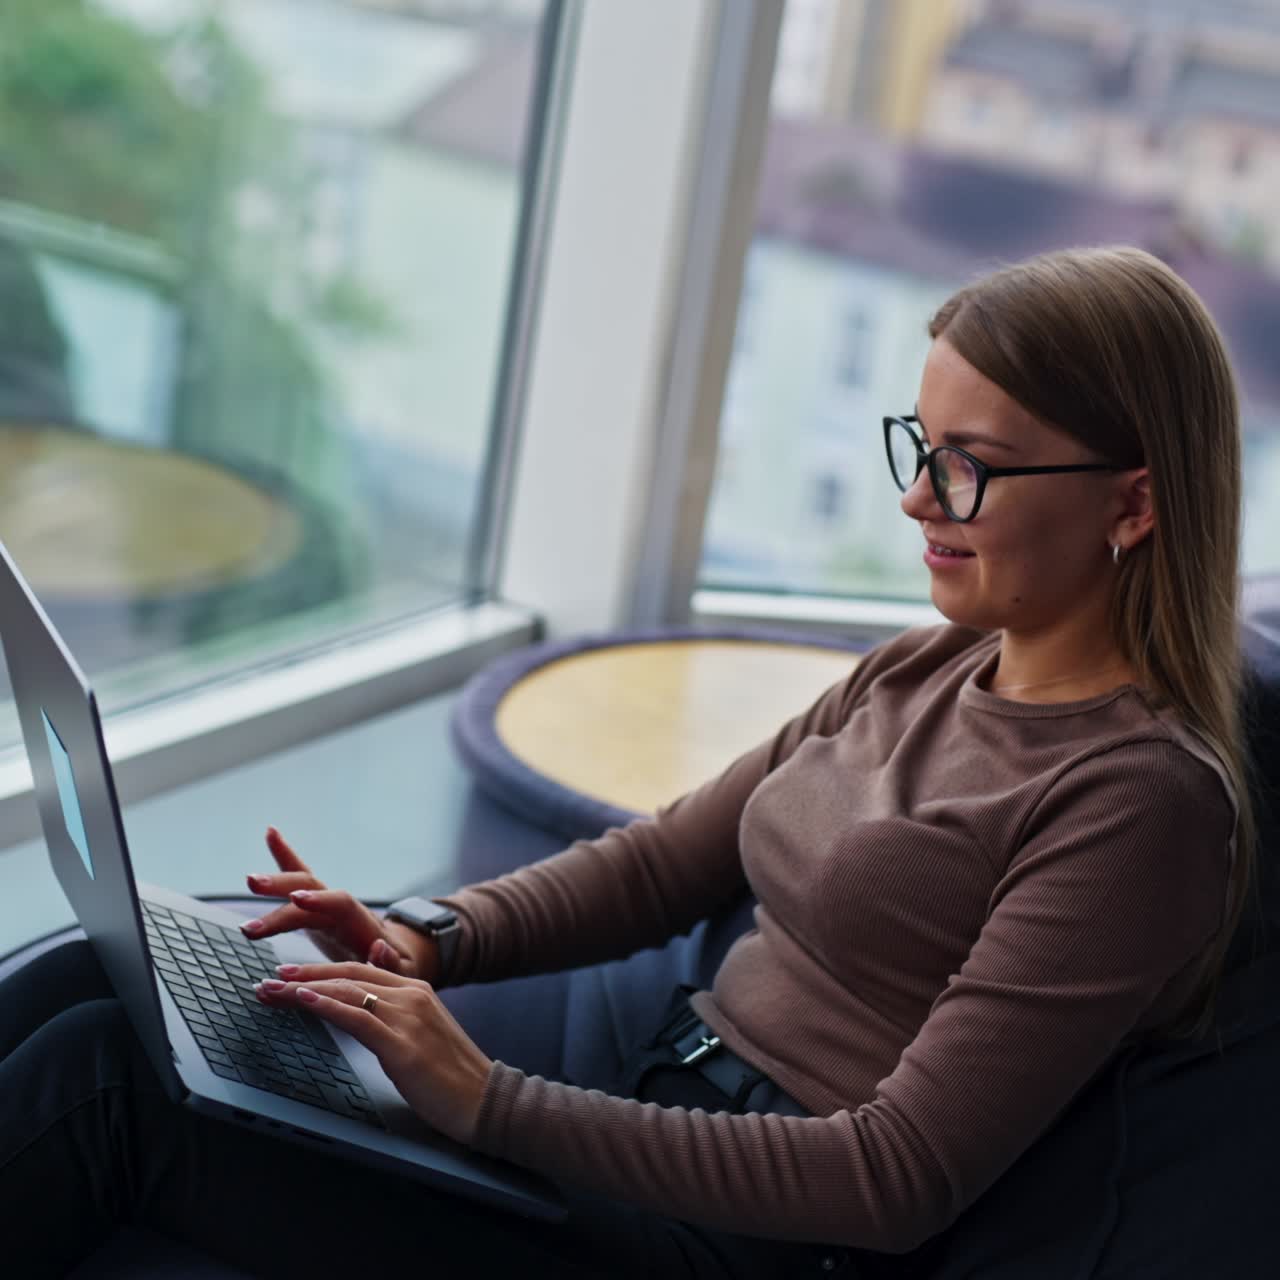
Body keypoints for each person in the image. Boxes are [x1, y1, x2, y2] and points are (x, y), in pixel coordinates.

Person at [0, 245, 1254, 1278]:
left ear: (1131, 506)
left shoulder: (1137, 803)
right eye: (915, 446)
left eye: (967, 466)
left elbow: (890, 1175)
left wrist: (485, 1100)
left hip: (735, 1239)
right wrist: (428, 932)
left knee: (103, 1083)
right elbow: (664, 861)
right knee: (89, 987)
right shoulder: (921, 668)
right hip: (645, 1102)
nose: (917, 500)